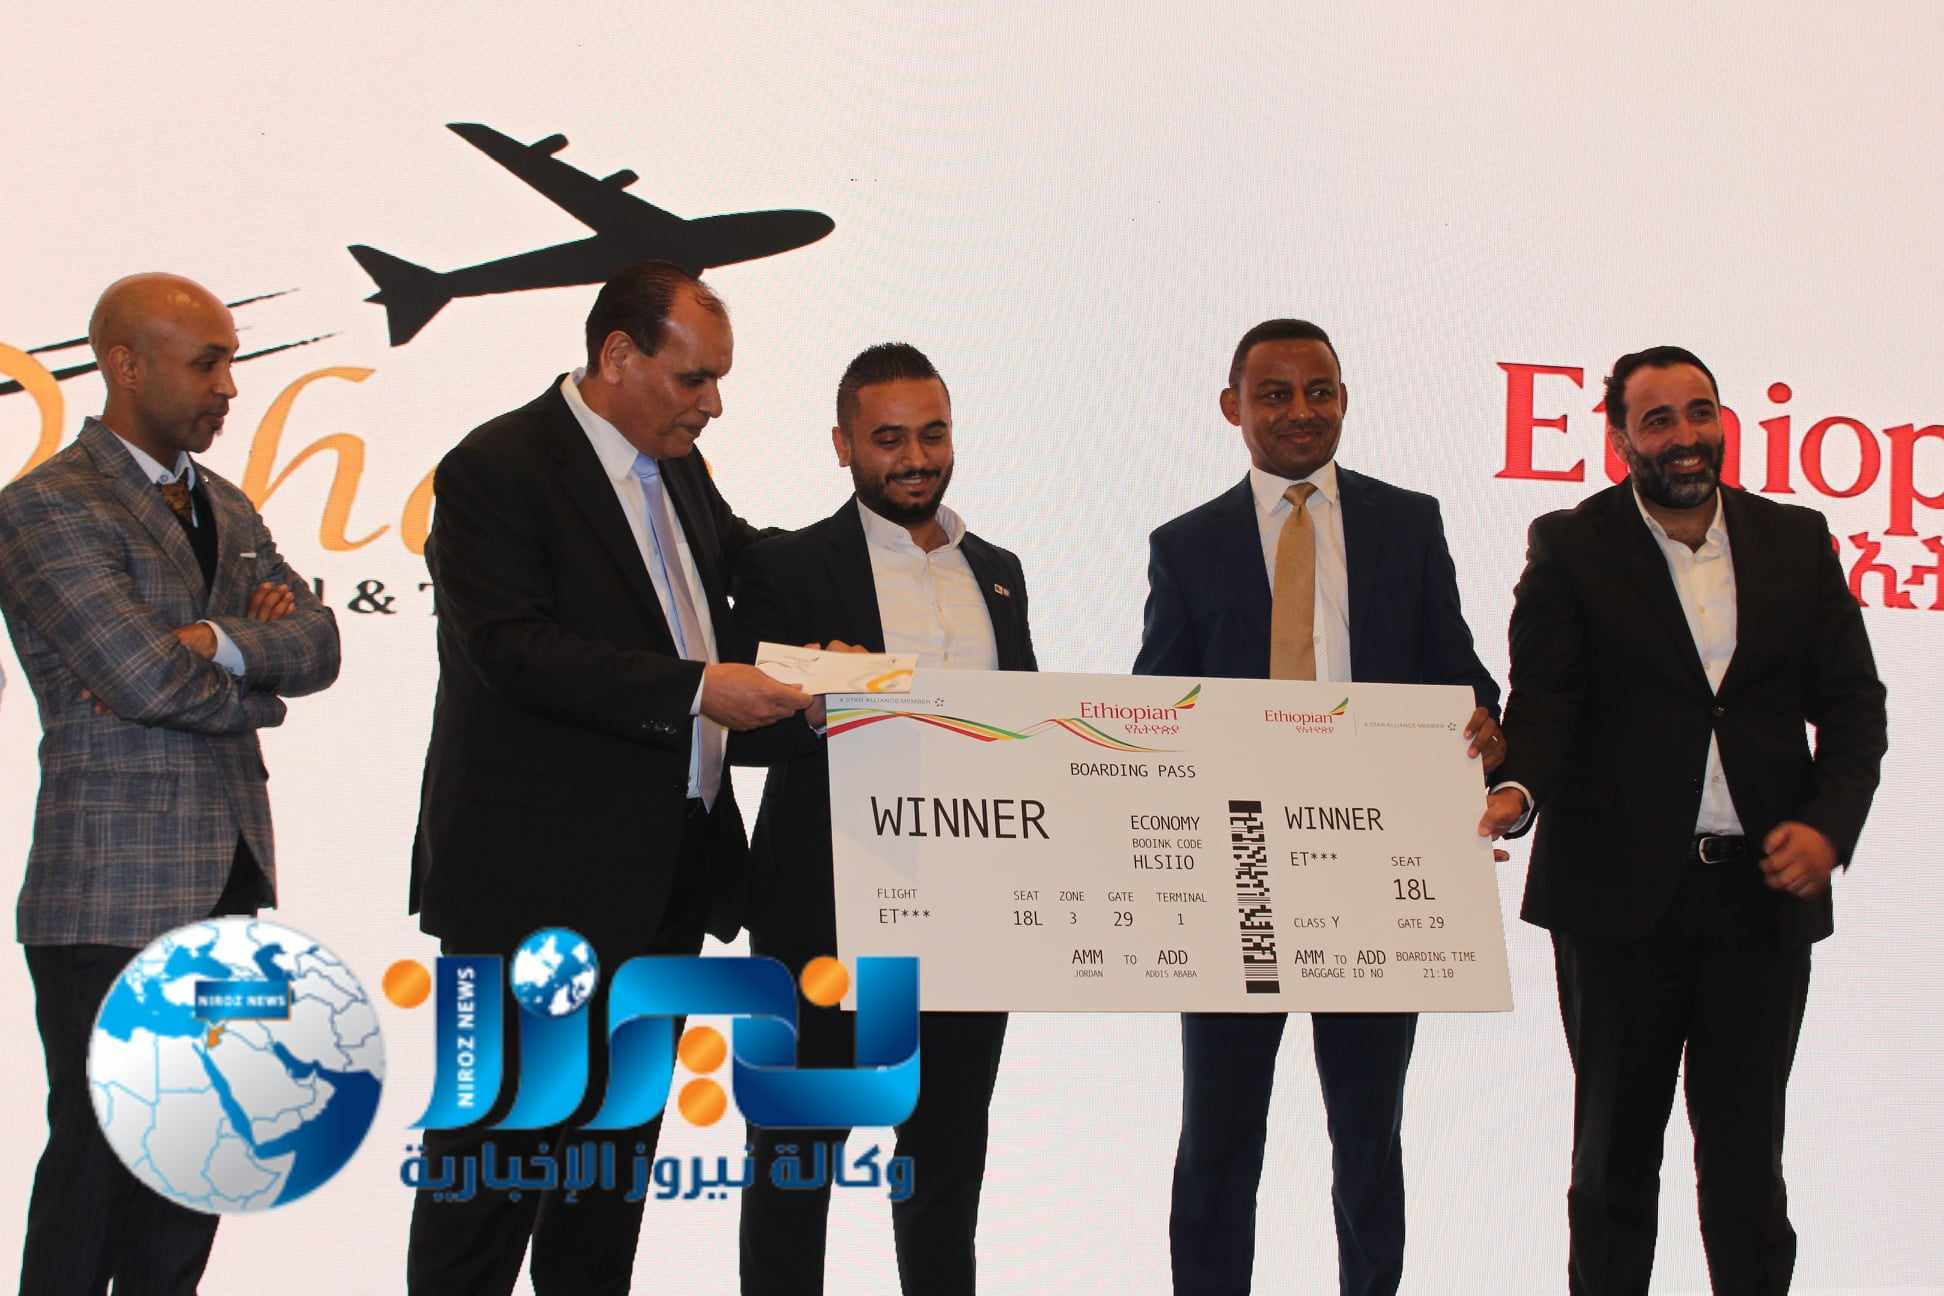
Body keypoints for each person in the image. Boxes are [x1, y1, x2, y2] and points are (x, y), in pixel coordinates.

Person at [406, 260, 810, 1294]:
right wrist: (698, 690)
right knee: (487, 1185)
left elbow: (741, 573)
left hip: (663, 886)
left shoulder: (676, 464)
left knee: (605, 1189)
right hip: (532, 895)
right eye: (694, 379)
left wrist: (842, 629)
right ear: (618, 355)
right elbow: (512, 650)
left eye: (719, 381)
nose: (712, 404)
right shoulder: (498, 466)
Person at [1479, 346, 1887, 1295]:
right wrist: (1516, 793)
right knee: (1612, 1165)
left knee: (1748, 1168)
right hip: (1616, 904)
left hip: (1761, 899)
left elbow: (1854, 707)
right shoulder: (1570, 546)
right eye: (1658, 420)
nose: (1685, 436)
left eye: (1700, 412)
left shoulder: (1796, 538)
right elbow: (1545, 706)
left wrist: (1829, 827)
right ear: (1621, 438)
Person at [1135, 318, 1504, 1296]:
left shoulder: (1409, 523)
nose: (1301, 411)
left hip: (1373, 877)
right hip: (1234, 881)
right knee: (1218, 1140)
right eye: (1275, 394)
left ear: (1344, 399)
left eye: (1320, 391)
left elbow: (1459, 678)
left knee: (1369, 1139)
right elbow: (1155, 707)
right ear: (1233, 408)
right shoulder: (1186, 546)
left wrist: (1482, 731)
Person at [0, 272, 341, 1295]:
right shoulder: (46, 507)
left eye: (229, 361)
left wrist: (218, 641)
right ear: (126, 364)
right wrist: (255, 680)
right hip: (108, 893)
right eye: (207, 363)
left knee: (200, 1162)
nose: (229, 386)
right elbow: (140, 676)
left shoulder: (225, 502)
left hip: (227, 885)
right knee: (99, 1167)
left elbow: (319, 642)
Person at [731, 343, 1035, 1296]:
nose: (915, 458)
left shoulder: (1000, 572)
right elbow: (732, 732)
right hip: (819, 917)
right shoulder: (786, 567)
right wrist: (806, 705)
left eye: (932, 434)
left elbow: (1025, 729)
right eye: (889, 438)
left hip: (970, 920)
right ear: (843, 445)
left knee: (945, 1169)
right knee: (795, 1164)